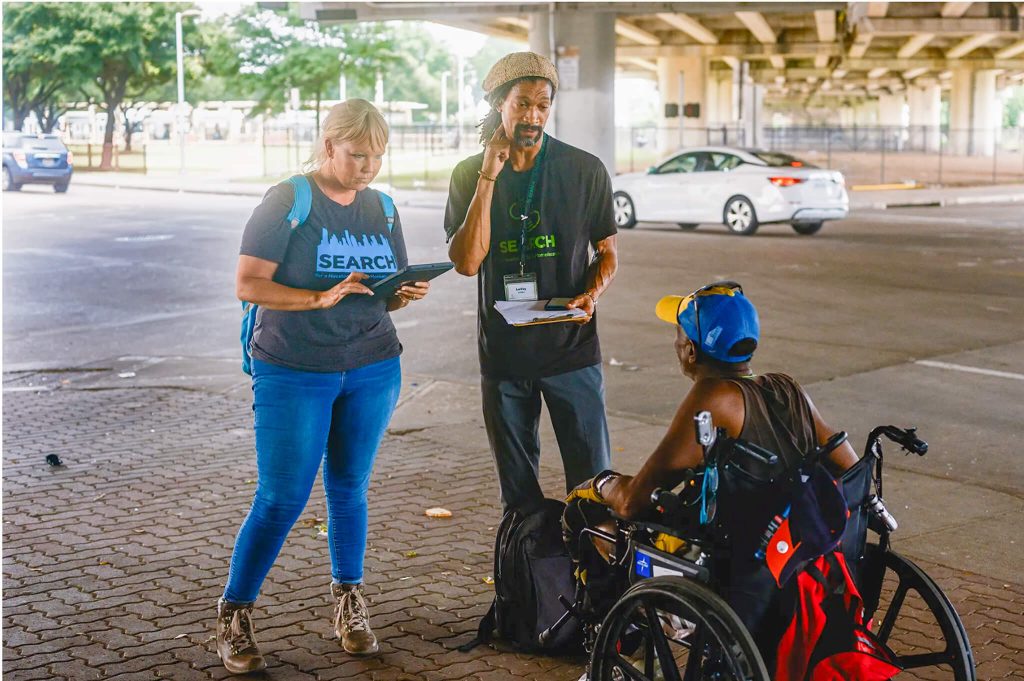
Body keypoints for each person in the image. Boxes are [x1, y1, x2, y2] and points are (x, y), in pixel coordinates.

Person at [217, 99, 431, 675]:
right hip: (293, 366)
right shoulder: (289, 199)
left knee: (349, 488)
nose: (368, 167)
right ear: (328, 145)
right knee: (282, 497)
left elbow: (382, 286)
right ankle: (235, 613)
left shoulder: (383, 207)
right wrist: (316, 297)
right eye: (358, 154)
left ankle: (349, 601)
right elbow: (248, 282)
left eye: (378, 156)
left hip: (372, 365)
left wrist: (399, 294)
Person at [565, 282, 859, 666]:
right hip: (797, 547)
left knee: (591, 522)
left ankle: (616, 652)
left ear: (690, 350)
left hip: (734, 563)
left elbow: (633, 500)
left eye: (678, 334)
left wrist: (599, 484)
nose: (676, 343)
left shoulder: (713, 397)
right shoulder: (788, 388)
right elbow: (849, 467)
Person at [443, 51, 619, 512]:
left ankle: (594, 581)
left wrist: (592, 293)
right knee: (518, 495)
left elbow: (607, 253)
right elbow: (466, 262)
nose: (533, 115)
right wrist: (488, 174)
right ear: (499, 105)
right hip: (504, 356)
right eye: (522, 103)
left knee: (593, 488)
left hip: (571, 350)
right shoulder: (468, 174)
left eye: (543, 105)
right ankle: (525, 582)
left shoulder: (584, 171)